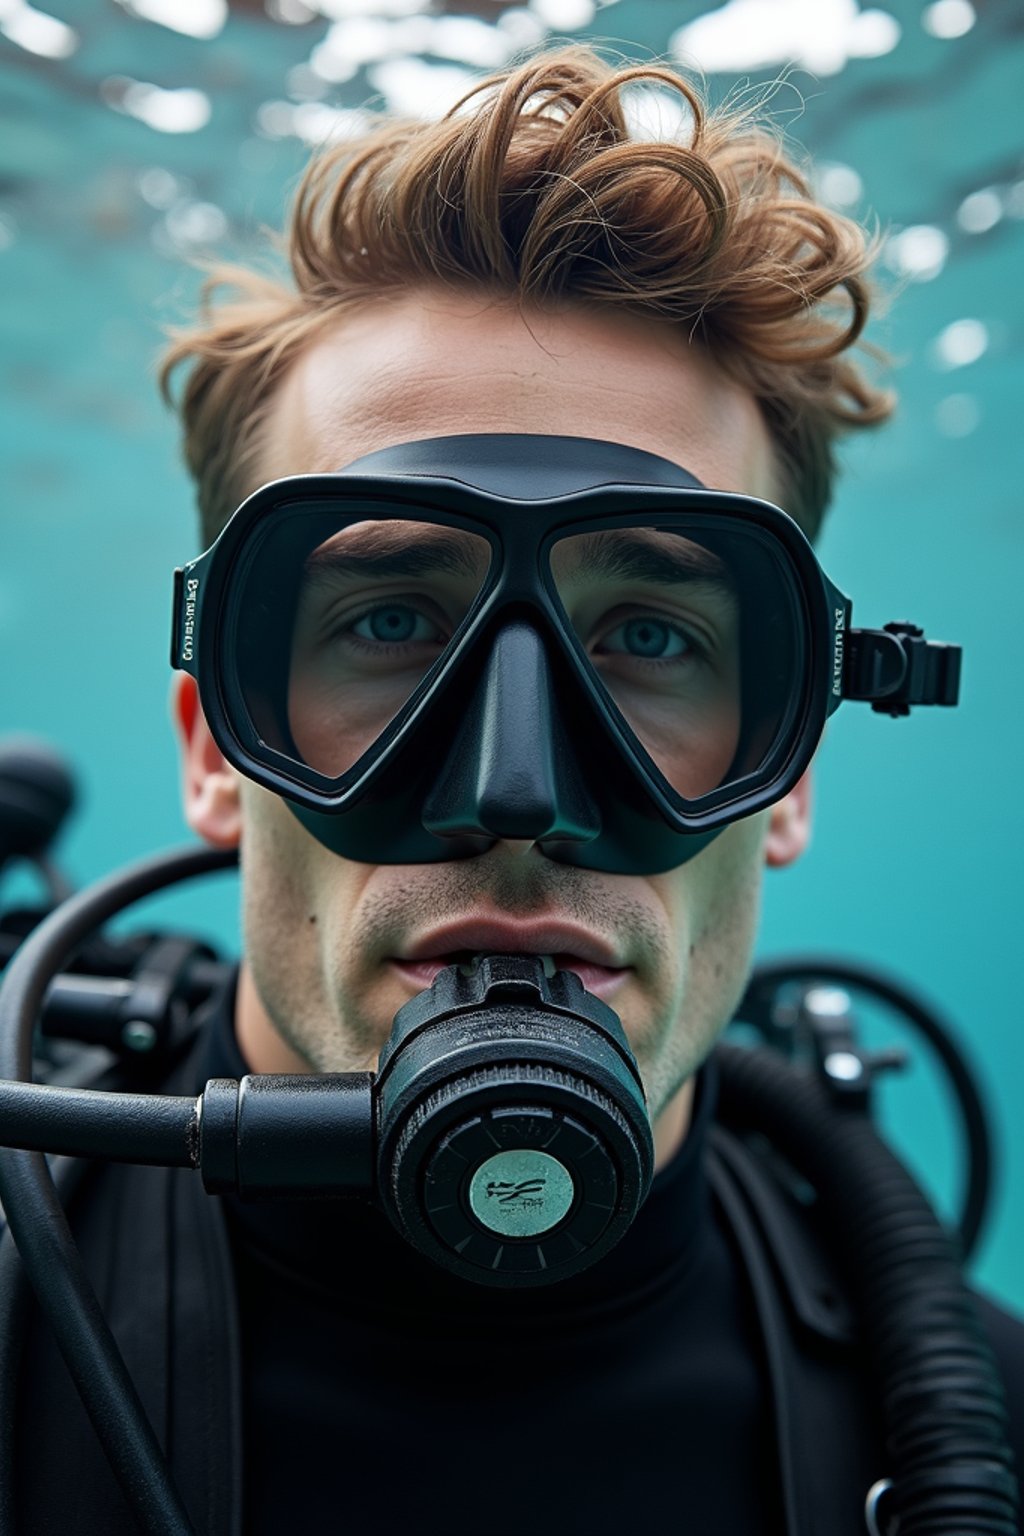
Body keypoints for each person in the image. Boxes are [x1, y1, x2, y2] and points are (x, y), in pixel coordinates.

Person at [9, 43, 1023, 1536]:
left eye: (651, 636)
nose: (519, 796)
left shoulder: (976, 1424)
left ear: (791, 766)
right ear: (215, 746)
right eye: (392, 621)